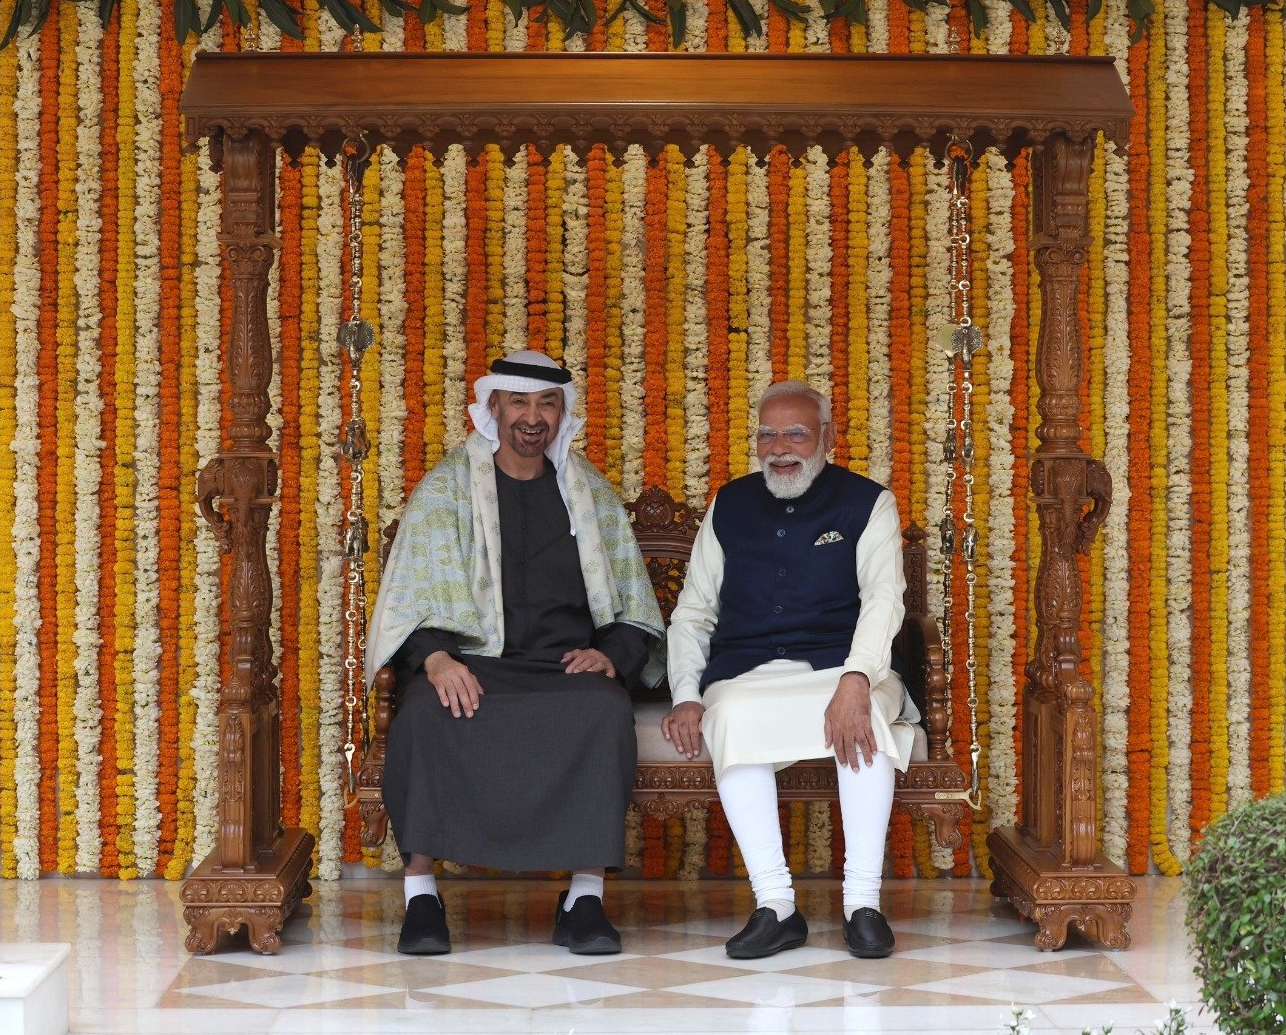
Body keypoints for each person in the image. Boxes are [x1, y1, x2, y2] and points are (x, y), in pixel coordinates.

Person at [366, 350, 664, 956]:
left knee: (604, 710)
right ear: (494, 407)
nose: (533, 417)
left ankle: (584, 900)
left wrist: (611, 655)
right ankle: (421, 896)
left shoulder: (588, 492)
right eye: (519, 402)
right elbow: (410, 595)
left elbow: (631, 599)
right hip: (471, 663)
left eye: (547, 403)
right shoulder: (447, 488)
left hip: (562, 668)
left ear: (562, 413)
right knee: (423, 712)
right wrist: (436, 659)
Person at [660, 380, 917, 960]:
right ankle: (775, 905)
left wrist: (857, 678)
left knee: (866, 720)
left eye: (796, 433)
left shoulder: (867, 502)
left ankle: (863, 904)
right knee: (732, 717)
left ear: (828, 437)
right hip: (748, 670)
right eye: (767, 434)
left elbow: (884, 600)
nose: (780, 447)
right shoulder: (730, 503)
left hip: (846, 666)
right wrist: (686, 693)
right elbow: (694, 612)